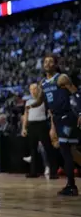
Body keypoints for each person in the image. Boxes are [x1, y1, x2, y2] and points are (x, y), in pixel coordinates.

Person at [27, 55, 81, 195]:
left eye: (50, 61)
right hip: (56, 118)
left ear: (56, 64)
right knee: (72, 152)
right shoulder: (43, 83)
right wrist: (30, 106)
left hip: (67, 116)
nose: (47, 63)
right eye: (45, 61)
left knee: (65, 150)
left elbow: (76, 93)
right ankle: (71, 184)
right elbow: (40, 100)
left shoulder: (61, 78)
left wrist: (80, 113)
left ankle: (71, 186)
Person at [22, 82, 57, 179]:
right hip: (31, 126)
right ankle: (33, 172)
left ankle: (53, 172)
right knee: (33, 149)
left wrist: (52, 127)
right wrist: (24, 128)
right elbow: (26, 115)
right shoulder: (28, 102)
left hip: (42, 125)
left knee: (48, 148)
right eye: (31, 89)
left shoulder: (44, 101)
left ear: (39, 90)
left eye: (35, 88)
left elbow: (51, 114)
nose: (33, 91)